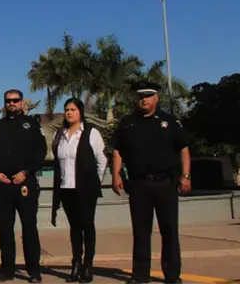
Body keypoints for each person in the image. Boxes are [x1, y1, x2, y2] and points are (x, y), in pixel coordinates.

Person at [111, 81, 191, 284]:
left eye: (148, 96)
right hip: (139, 185)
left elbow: (183, 148)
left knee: (169, 230)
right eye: (140, 96)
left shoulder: (169, 121)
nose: (143, 100)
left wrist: (186, 176)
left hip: (165, 183)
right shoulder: (128, 123)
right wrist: (115, 175)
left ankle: (172, 275)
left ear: (156, 98)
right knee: (141, 232)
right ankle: (140, 275)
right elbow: (118, 150)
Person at [0, 89, 47, 282]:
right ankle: (6, 270)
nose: (11, 104)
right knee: (5, 230)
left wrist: (26, 172)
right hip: (3, 185)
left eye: (15, 100)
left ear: (22, 102)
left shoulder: (31, 124)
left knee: (29, 228)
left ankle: (34, 271)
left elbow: (41, 152)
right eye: (8, 101)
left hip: (25, 184)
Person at [50, 98, 108, 282]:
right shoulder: (59, 134)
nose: (69, 113)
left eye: (73, 109)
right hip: (66, 188)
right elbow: (58, 162)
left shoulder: (91, 133)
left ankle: (88, 264)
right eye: (66, 109)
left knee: (87, 225)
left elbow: (102, 160)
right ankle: (76, 263)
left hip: (86, 189)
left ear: (80, 112)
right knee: (75, 228)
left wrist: (94, 182)